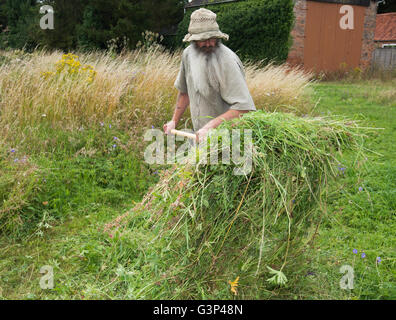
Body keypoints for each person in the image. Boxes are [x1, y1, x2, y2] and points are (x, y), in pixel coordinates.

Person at [163, 8, 256, 143]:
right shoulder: (188, 55)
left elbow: (244, 109)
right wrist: (173, 121)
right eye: (203, 39)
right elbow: (185, 92)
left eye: (212, 38)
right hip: (201, 138)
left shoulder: (227, 61)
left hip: (227, 140)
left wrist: (210, 127)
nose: (209, 43)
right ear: (193, 40)